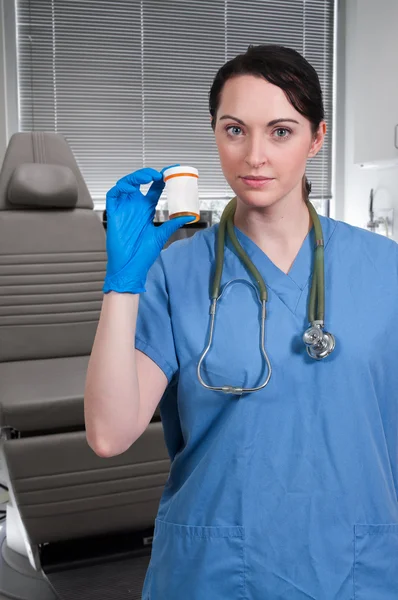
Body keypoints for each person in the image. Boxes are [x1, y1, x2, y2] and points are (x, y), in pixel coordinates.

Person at [84, 45, 398, 600]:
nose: (255, 155)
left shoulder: (385, 268)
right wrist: (122, 283)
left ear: (316, 138)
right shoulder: (174, 272)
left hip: (356, 566)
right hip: (215, 570)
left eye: (281, 131)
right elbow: (109, 434)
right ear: (215, 134)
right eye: (235, 130)